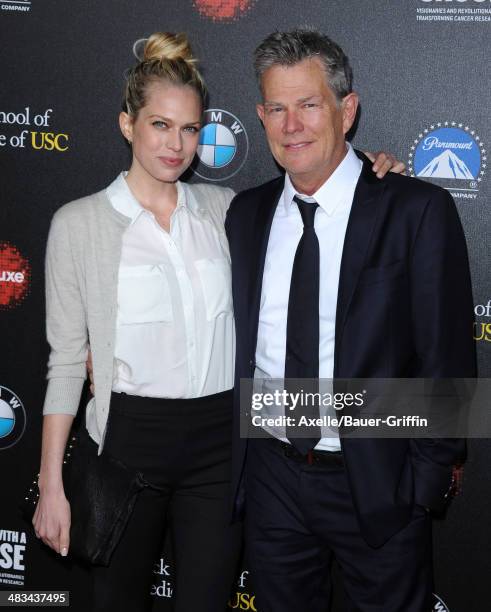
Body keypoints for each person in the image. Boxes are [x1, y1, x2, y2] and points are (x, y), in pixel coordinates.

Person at [33, 30, 403, 612]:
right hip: (128, 441)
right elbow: (62, 365)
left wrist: (376, 171)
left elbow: (320, 189)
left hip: (221, 446)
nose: (176, 145)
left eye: (189, 129)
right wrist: (51, 484)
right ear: (128, 125)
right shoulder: (78, 225)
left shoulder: (227, 210)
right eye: (160, 125)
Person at [225, 29, 476, 612]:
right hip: (271, 479)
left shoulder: (415, 210)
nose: (293, 126)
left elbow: (448, 362)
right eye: (278, 109)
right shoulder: (246, 214)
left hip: (378, 480)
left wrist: (423, 486)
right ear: (260, 116)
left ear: (348, 110)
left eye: (309, 105)